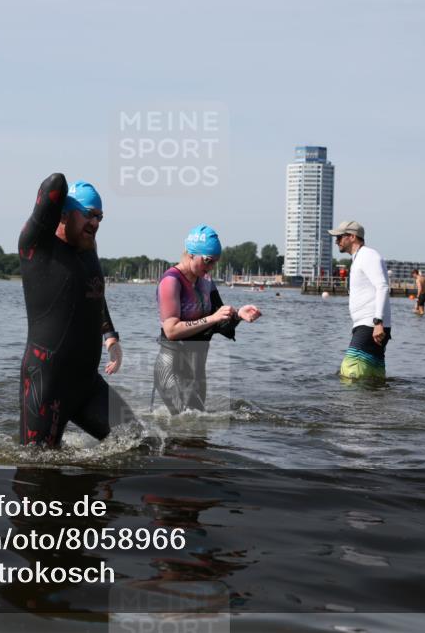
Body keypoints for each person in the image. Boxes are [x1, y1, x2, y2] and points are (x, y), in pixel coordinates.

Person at [17, 174, 133, 447]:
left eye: (100, 217)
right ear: (65, 215)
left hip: (87, 384)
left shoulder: (88, 247)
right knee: (39, 470)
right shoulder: (37, 247)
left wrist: (111, 335)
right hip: (47, 385)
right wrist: (63, 193)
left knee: (138, 444)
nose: (95, 223)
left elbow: (94, 292)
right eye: (89, 214)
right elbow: (53, 185)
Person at [154, 225, 261, 414]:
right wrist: (212, 318)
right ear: (191, 254)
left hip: (196, 370)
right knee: (185, 432)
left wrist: (238, 314)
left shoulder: (206, 281)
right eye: (208, 261)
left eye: (215, 263)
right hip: (173, 367)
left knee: (198, 435)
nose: (211, 267)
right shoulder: (171, 282)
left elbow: (219, 317)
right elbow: (171, 331)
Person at [329, 220, 392, 381]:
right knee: (373, 380)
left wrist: (377, 322)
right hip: (367, 325)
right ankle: (376, 405)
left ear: (352, 237)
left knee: (349, 374)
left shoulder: (368, 255)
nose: (336, 241)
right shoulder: (359, 258)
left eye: (339, 237)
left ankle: (353, 406)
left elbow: (382, 287)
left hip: (371, 325)